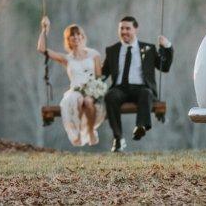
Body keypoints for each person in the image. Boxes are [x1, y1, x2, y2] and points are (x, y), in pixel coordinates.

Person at [103, 16, 173, 152]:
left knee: (146, 93)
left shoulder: (149, 49)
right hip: (120, 89)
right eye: (121, 28)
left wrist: (167, 47)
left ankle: (141, 126)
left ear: (135, 29)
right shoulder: (112, 50)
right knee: (110, 96)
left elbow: (164, 67)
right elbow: (103, 73)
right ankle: (118, 138)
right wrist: (90, 86)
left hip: (141, 88)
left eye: (127, 28)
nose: (124, 31)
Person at [37, 16, 105, 146]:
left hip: (92, 90)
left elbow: (98, 77)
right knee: (78, 100)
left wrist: (95, 90)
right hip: (75, 90)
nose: (76, 37)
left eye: (78, 34)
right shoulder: (66, 59)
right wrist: (44, 30)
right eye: (72, 36)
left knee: (88, 101)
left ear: (82, 37)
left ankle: (90, 131)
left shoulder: (94, 55)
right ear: (68, 40)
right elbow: (41, 49)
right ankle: (79, 133)